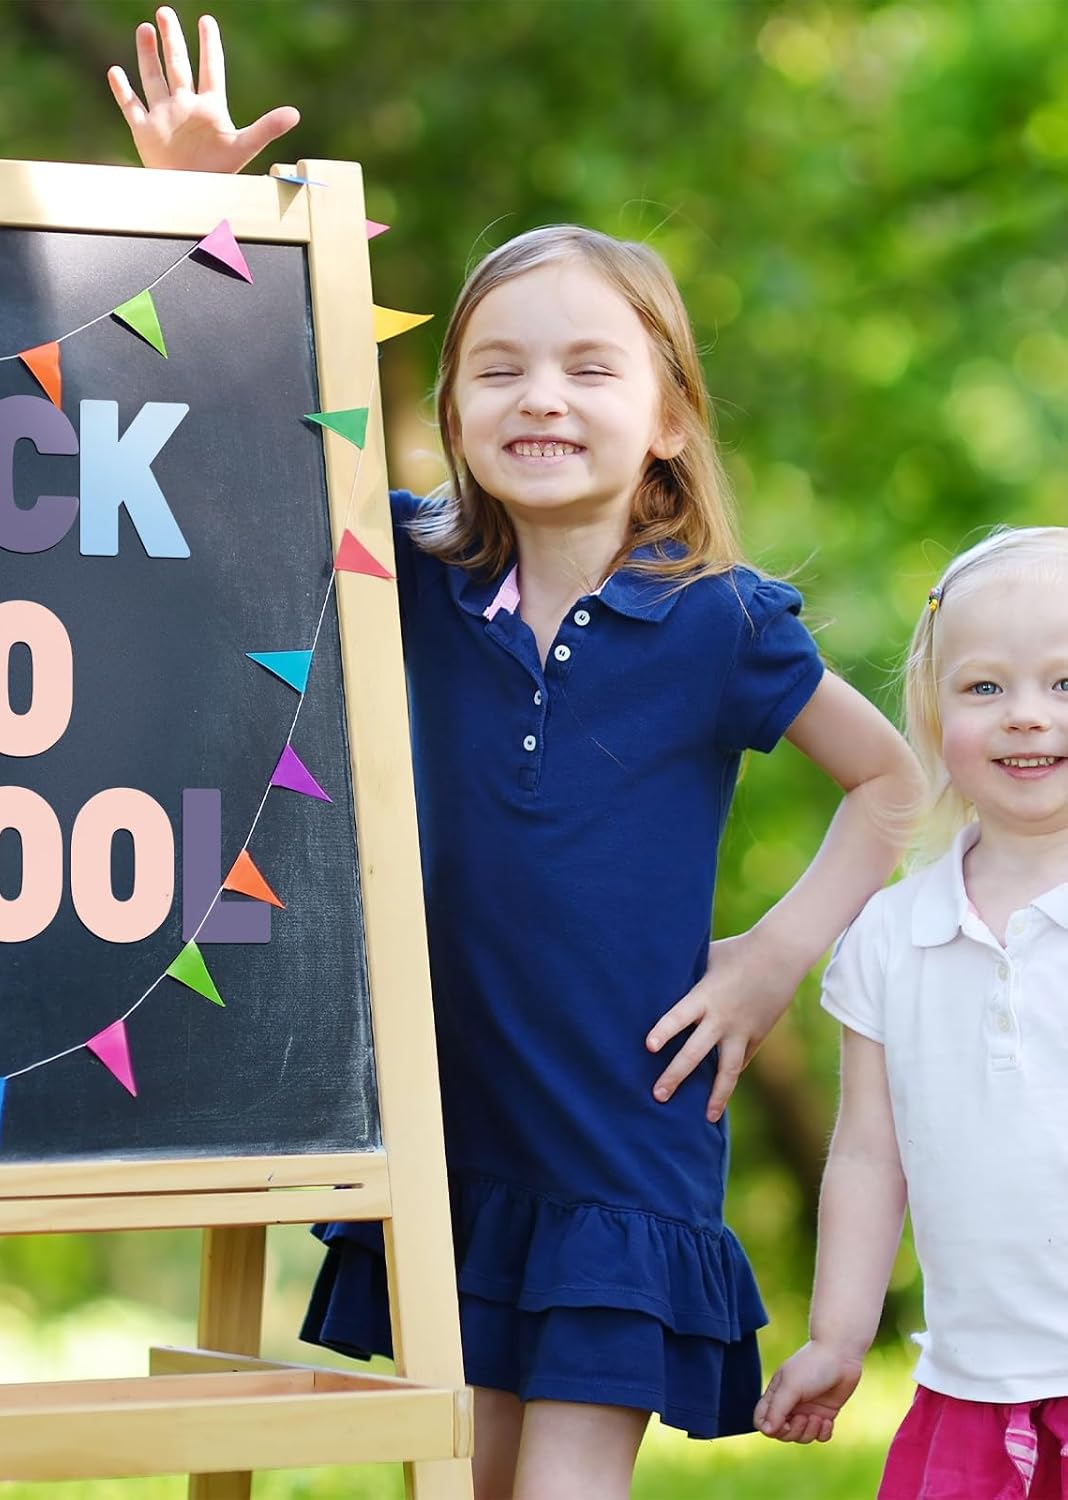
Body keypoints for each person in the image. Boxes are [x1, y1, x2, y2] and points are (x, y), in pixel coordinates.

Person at [109, 14, 923, 1497]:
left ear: (668, 417)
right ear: (454, 408)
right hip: (450, 1137)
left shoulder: (723, 624)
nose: (541, 396)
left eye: (588, 368)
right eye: (499, 369)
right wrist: (202, 217)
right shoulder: (402, 579)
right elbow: (233, 432)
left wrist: (771, 957)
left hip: (621, 1143)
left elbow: (892, 782)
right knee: (464, 1483)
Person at [757, 527, 1068, 1499]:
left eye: (1065, 684)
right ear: (933, 715)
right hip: (969, 1388)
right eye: (986, 687)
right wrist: (838, 1335)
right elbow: (865, 1154)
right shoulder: (889, 936)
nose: (1027, 716)